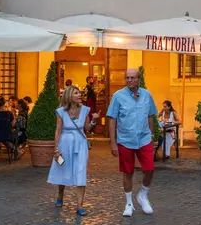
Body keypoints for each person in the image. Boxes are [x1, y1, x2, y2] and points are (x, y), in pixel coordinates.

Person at [107, 68, 158, 217]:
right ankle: (129, 204)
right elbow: (112, 119)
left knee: (150, 169)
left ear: (138, 79)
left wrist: (152, 135)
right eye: (127, 78)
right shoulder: (118, 96)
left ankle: (143, 194)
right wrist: (113, 142)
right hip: (125, 140)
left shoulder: (147, 95)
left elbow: (150, 115)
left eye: (132, 78)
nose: (129, 80)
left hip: (144, 139)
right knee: (128, 172)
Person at [49, 85, 99, 216]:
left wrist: (94, 120)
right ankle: (60, 194)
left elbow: (87, 128)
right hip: (65, 143)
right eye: (76, 93)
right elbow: (58, 130)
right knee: (63, 168)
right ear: (69, 96)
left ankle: (80, 205)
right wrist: (56, 149)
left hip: (80, 144)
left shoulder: (85, 110)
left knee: (81, 171)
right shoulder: (61, 111)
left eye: (80, 93)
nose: (80, 95)